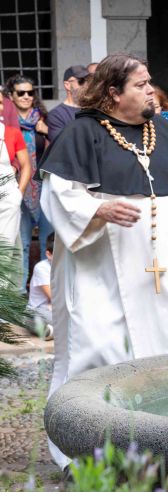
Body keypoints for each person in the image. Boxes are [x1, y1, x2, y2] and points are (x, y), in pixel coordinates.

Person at [37, 53, 168, 469]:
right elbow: (57, 196)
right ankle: (90, 453)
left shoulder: (161, 133)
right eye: (141, 84)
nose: (152, 91)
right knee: (100, 348)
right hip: (103, 272)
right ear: (113, 93)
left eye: (150, 82)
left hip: (166, 273)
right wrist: (98, 210)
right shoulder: (81, 135)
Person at [6, 75, 53, 289]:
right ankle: (20, 294)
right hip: (17, 190)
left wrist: (48, 132)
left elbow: (58, 152)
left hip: (44, 188)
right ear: (11, 96)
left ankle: (48, 291)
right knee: (21, 244)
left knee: (48, 243)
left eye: (30, 92)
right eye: (21, 93)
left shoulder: (43, 119)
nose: (26, 96)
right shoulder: (7, 124)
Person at [0, 92, 31, 253]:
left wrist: (19, 193)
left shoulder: (12, 133)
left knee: (6, 250)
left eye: (0, 103)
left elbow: (26, 165)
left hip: (8, 197)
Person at [46, 65, 90, 142]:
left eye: (88, 81)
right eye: (81, 81)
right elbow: (63, 145)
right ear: (67, 85)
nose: (86, 86)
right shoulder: (56, 115)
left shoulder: (94, 109)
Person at [26, 232, 54, 340]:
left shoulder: (69, 266)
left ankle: (53, 331)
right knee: (30, 318)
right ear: (48, 254)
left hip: (59, 309)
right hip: (39, 309)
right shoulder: (41, 267)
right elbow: (53, 296)